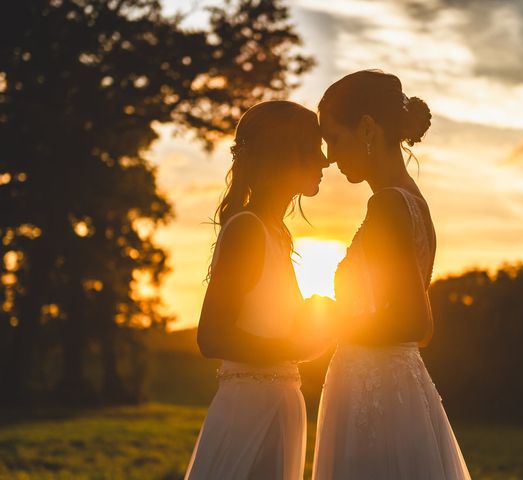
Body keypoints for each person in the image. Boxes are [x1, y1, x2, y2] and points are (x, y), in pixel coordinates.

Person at [312, 70, 472, 479]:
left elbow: (415, 321)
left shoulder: (386, 205)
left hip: (377, 392)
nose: (329, 155)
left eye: (333, 138)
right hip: (397, 386)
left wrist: (330, 319)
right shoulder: (415, 202)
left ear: (366, 127)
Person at [185, 100, 331, 480]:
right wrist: (298, 347)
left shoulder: (275, 234)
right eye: (315, 148)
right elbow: (212, 336)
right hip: (248, 412)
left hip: (277, 405)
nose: (325, 161)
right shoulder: (247, 229)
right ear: (287, 153)